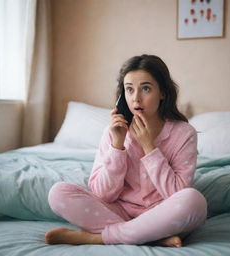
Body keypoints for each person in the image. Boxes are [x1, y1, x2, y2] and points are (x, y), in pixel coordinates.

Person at [45, 54, 207, 247]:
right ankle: (150, 237)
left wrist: (149, 147)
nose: (136, 98)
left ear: (162, 92)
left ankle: (98, 238)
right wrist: (118, 146)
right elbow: (103, 195)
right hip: (118, 211)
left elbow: (177, 193)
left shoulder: (184, 133)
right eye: (129, 89)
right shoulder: (113, 132)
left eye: (146, 88)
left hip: (162, 213)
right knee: (58, 192)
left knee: (194, 201)